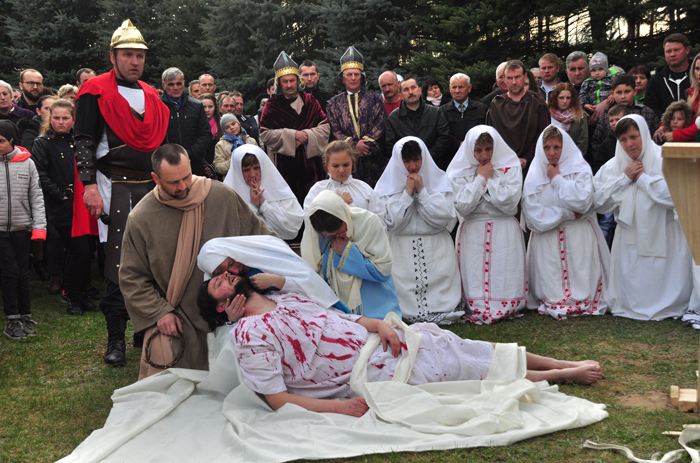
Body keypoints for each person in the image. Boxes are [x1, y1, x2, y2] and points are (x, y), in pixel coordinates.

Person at [197, 275, 602, 416]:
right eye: (220, 282)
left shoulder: (287, 298)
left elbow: (346, 318)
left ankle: (558, 363)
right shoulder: (249, 335)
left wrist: (381, 326)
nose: (229, 277)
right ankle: (563, 376)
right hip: (366, 370)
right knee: (455, 367)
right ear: (221, 307)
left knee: (458, 343)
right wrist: (338, 407)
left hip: (378, 341)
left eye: (227, 274)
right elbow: (277, 399)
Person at [120, 144, 274, 379]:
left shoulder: (222, 196)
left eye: (186, 177)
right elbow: (132, 277)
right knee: (182, 391)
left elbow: (263, 239)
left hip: (233, 312)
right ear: (155, 178)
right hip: (181, 318)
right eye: (173, 182)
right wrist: (159, 312)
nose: (182, 187)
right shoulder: (141, 218)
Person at [74, 20, 170, 366]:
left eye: (139, 56)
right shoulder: (94, 91)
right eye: (128, 54)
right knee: (116, 264)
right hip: (111, 185)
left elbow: (161, 145)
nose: (134, 61)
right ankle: (115, 339)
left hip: (149, 185)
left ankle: (143, 332)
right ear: (112, 56)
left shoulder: (151, 94)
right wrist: (88, 187)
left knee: (153, 261)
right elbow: (83, 142)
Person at [593, 114, 693, 320]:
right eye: (623, 140)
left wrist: (643, 179)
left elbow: (675, 195)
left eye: (633, 137)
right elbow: (599, 202)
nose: (629, 144)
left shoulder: (664, 159)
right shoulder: (613, 166)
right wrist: (625, 178)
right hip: (630, 235)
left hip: (664, 231)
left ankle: (670, 302)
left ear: (644, 134)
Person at [522, 126, 610, 319]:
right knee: (552, 279)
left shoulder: (580, 169)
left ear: (566, 147)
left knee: (580, 272)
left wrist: (557, 179)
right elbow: (534, 216)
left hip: (577, 235)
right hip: (548, 238)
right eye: (546, 147)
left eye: (557, 147)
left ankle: (582, 299)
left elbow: (583, 201)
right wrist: (566, 214)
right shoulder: (535, 174)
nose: (551, 153)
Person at [375, 137, 462, 324]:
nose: (412, 166)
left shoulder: (440, 182)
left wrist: (422, 192)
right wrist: (406, 194)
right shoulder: (385, 188)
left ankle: (442, 307)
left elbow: (443, 217)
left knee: (438, 290)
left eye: (416, 160)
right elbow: (393, 223)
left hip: (435, 246)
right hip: (401, 248)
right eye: (407, 161)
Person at [446, 126, 526, 324]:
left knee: (503, 269)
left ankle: (507, 303)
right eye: (478, 150)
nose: (484, 155)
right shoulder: (458, 171)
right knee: (475, 272)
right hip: (474, 229)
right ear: (470, 150)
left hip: (503, 228)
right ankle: (476, 304)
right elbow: (463, 206)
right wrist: (481, 178)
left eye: (488, 149)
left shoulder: (510, 166)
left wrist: (484, 184)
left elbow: (510, 202)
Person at [32, 99, 96, 315]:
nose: (60, 122)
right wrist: (61, 195)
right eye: (56, 118)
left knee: (86, 250)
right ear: (50, 118)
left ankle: (82, 293)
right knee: (78, 250)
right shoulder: (43, 142)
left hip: (84, 203)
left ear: (73, 119)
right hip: (62, 206)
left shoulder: (80, 141)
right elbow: (40, 174)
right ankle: (72, 296)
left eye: (65, 118)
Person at [197, 235, 348, 322]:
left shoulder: (268, 247)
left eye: (232, 262)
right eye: (227, 272)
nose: (235, 270)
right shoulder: (234, 284)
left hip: (317, 311)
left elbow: (310, 281)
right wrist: (233, 317)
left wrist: (279, 282)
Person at [302, 190, 401, 320]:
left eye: (340, 230)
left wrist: (347, 252)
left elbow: (383, 271)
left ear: (344, 217)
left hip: (375, 303)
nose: (336, 237)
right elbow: (314, 269)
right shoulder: (315, 232)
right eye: (328, 235)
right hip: (335, 307)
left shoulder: (369, 222)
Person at [259, 52, 330, 204]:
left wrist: (306, 135)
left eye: (292, 80)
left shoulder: (310, 101)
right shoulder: (272, 105)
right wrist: (291, 136)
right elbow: (264, 134)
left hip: (313, 167)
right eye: (285, 81)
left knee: (315, 205)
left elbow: (325, 127)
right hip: (284, 166)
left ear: (298, 81)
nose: (289, 85)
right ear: (279, 83)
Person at [0, 120, 46, 339]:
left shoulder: (27, 163)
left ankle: (24, 316)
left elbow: (36, 197)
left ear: (11, 140)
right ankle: (11, 319)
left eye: (0, 141)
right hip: (1, 232)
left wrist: (39, 227)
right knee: (9, 274)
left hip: (22, 228)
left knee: (22, 274)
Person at [326, 46, 387, 187]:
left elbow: (381, 123)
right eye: (349, 75)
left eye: (356, 74)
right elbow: (334, 129)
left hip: (373, 160)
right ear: (342, 78)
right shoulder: (333, 104)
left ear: (362, 77)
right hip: (347, 162)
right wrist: (353, 146)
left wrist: (365, 145)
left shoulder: (376, 99)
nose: (353, 78)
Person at [223, 144, 304, 240]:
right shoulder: (227, 195)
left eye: (256, 168)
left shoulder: (279, 190)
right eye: (246, 170)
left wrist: (263, 205)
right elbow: (231, 232)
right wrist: (252, 206)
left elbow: (292, 229)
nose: (252, 174)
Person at [488, 60, 550, 173]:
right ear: (505, 79)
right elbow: (493, 137)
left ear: (525, 76)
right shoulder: (496, 105)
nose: (514, 82)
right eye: (510, 78)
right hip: (504, 166)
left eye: (517, 77)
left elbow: (543, 133)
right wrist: (510, 160)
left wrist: (526, 158)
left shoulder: (536, 102)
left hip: (534, 165)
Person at [304, 141, 385, 221]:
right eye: (335, 166)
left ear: (352, 163)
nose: (341, 170)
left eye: (346, 165)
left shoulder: (364, 189)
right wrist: (338, 202)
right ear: (327, 165)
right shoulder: (317, 190)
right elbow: (310, 220)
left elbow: (379, 220)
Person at [385, 78, 452, 170]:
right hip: (406, 170)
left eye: (413, 88)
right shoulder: (393, 118)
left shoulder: (435, 113)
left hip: (434, 166)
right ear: (400, 94)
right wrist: (410, 160)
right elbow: (391, 146)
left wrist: (426, 157)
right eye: (406, 89)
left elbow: (444, 137)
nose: (411, 92)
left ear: (420, 90)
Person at [160, 67, 212, 177]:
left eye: (179, 84)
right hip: (166, 165)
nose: (175, 88)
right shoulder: (157, 106)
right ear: (163, 85)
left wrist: (188, 155)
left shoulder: (196, 106)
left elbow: (206, 134)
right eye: (171, 84)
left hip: (194, 165)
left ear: (183, 83)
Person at [591, 74, 659, 156]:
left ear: (635, 91)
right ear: (612, 94)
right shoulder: (606, 115)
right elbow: (596, 142)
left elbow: (656, 137)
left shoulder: (646, 112)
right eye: (619, 92)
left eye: (627, 91)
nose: (623, 96)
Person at [653, 52, 700, 144]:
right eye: (697, 69)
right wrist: (664, 126)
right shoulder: (691, 93)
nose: (699, 73)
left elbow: (698, 128)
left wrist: (675, 135)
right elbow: (680, 113)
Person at [440, 73, 488, 160]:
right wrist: (458, 144)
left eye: (461, 87)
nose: (457, 91)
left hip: (477, 158)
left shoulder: (482, 109)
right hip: (451, 159)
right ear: (450, 88)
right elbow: (442, 134)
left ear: (469, 88)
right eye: (454, 87)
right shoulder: (442, 111)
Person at [645, 33, 692, 118]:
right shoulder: (656, 81)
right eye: (668, 51)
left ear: (687, 50)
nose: (672, 54)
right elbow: (651, 108)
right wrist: (667, 123)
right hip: (665, 128)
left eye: (677, 50)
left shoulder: (697, 76)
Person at [547, 83, 588, 155]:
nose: (565, 101)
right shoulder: (547, 114)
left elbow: (583, 141)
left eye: (568, 98)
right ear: (555, 98)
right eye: (561, 98)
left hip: (573, 158)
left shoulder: (580, 116)